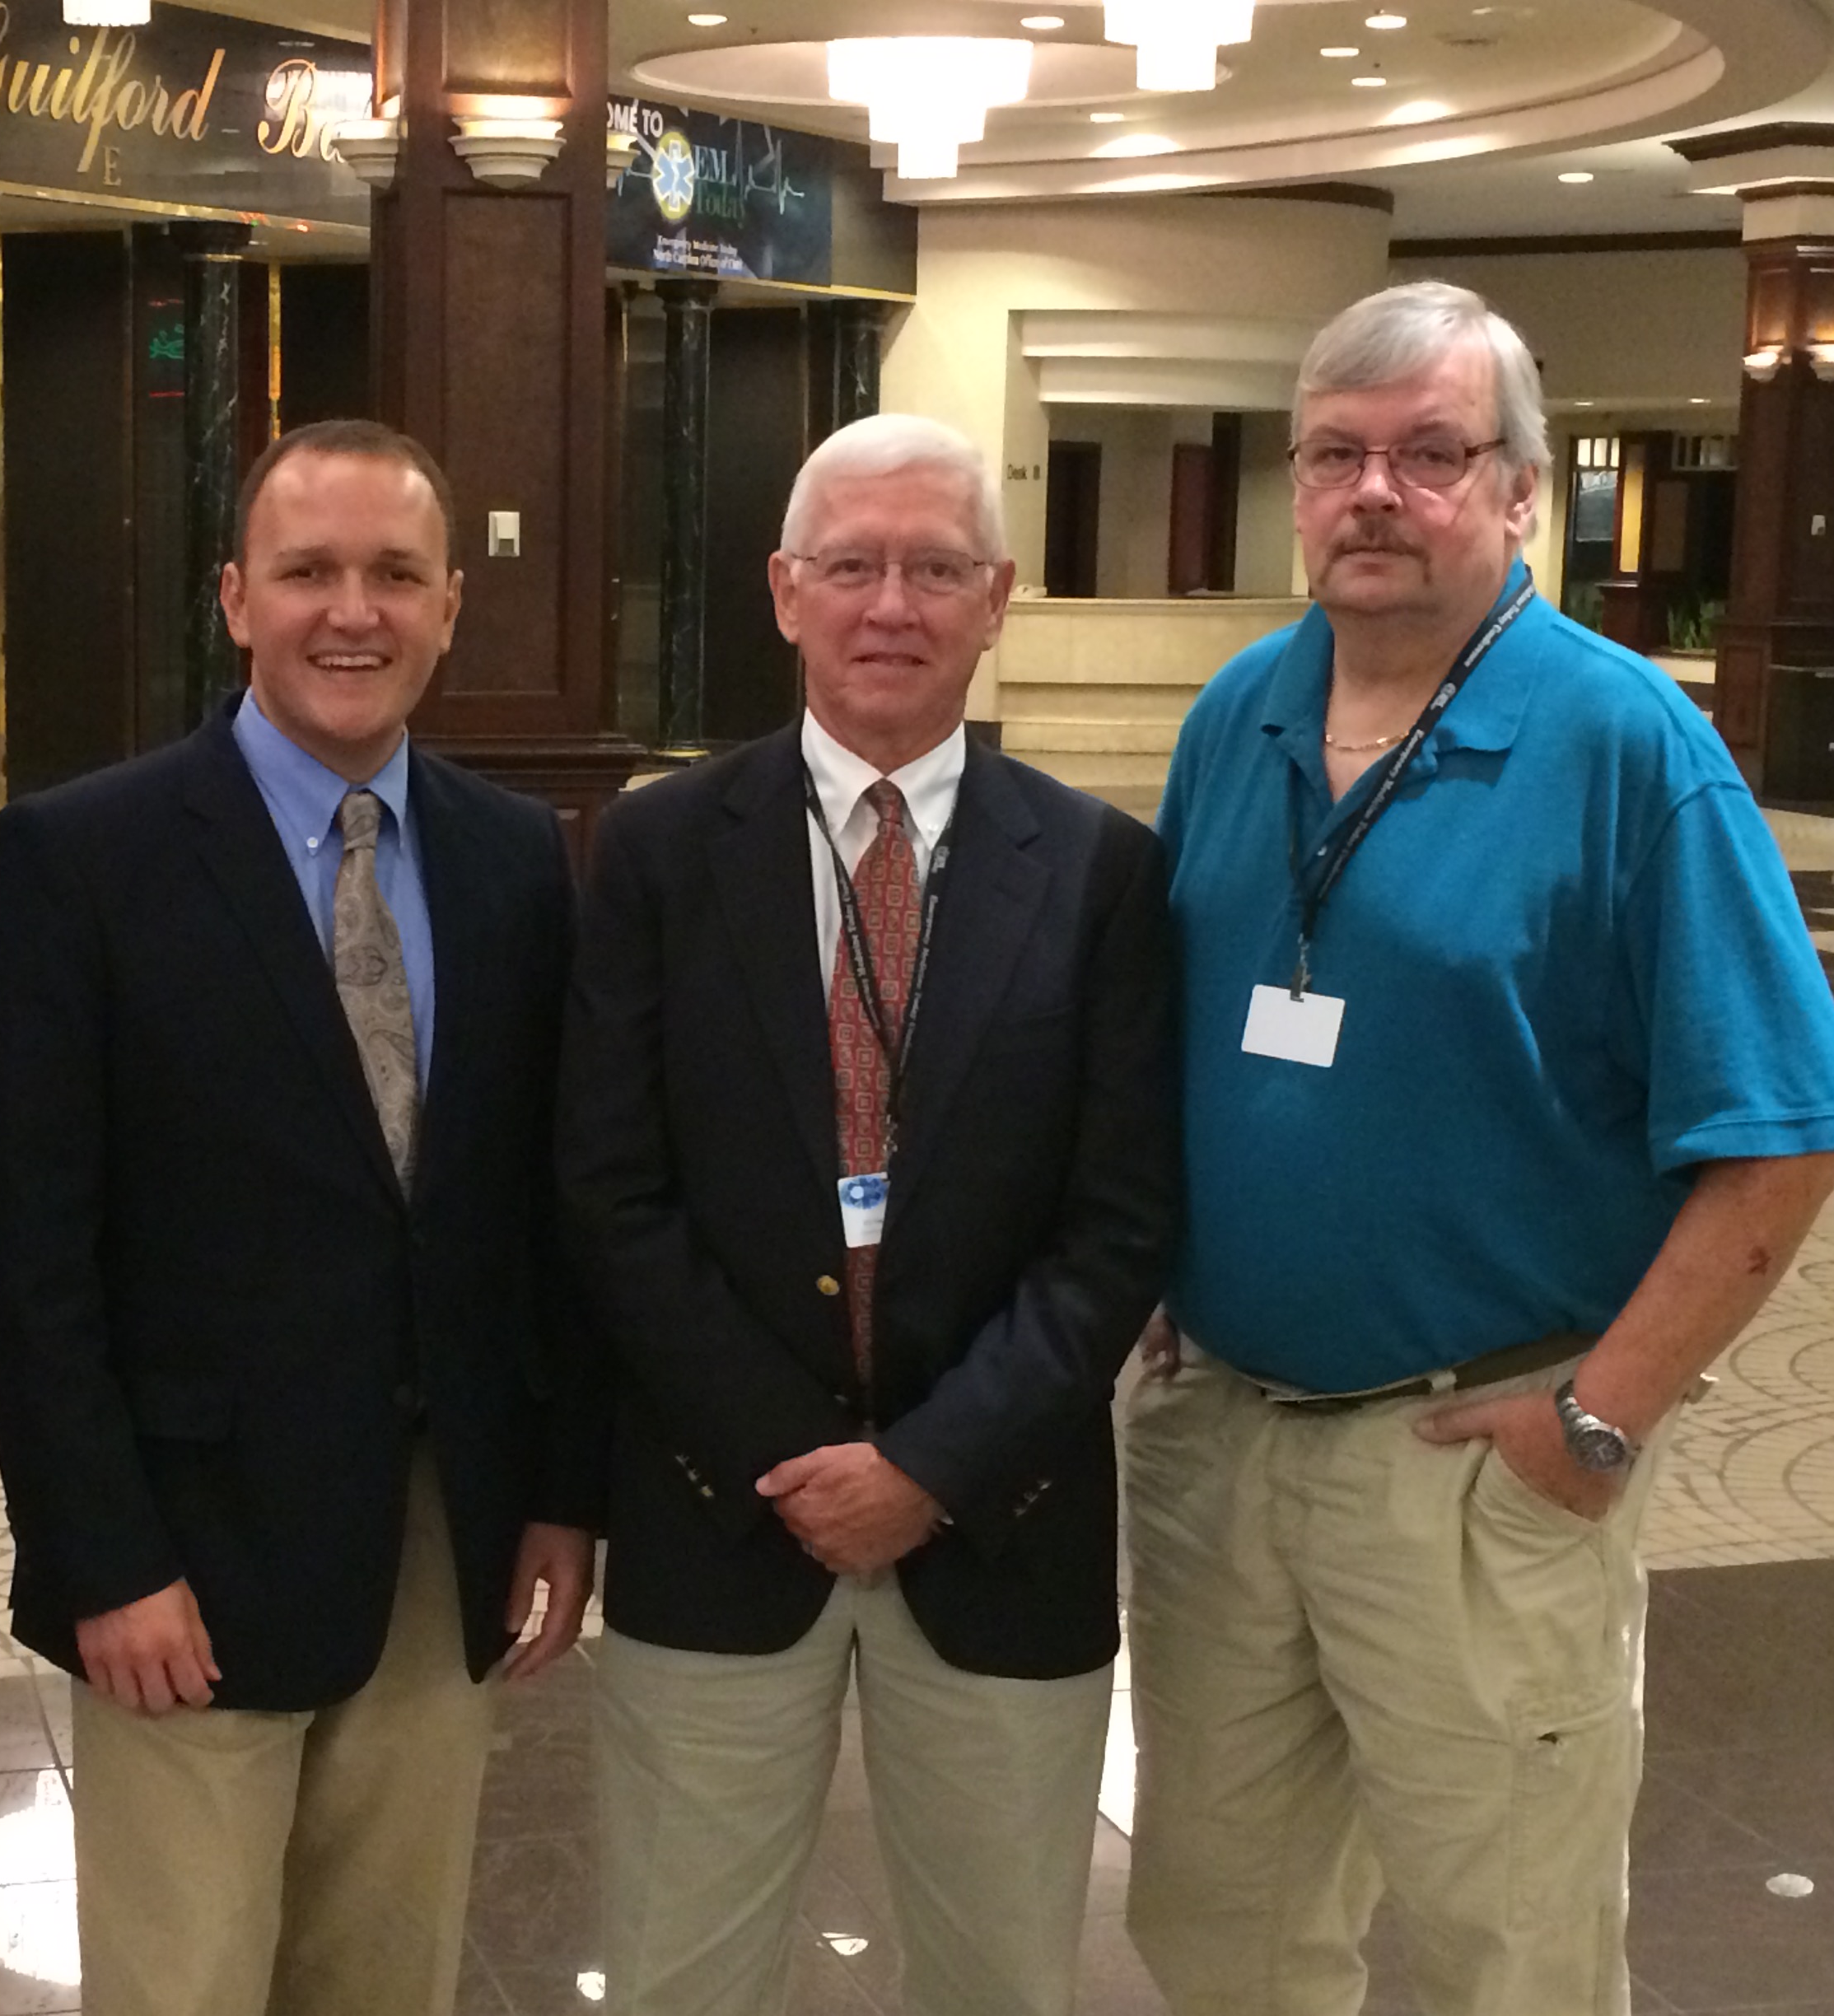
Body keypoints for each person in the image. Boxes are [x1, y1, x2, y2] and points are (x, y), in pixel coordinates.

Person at [1126, 280, 1834, 2016]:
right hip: (1223, 1447)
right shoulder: (1237, 712)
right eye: (1336, 455)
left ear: (1521, 489)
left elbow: (1786, 1139)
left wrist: (1600, 1418)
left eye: (1432, 454)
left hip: (1475, 1464)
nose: (1374, 493)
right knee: (1218, 1933)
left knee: (1507, 1958)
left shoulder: (1628, 746)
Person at [0, 418, 600, 2016]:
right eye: (309, 572)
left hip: (438, 1537)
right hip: (189, 1552)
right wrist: (104, 1557)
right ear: (236, 600)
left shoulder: (519, 862)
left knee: (386, 1977)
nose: (352, 612)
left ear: (454, 606)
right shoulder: (79, 858)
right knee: (186, 1984)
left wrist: (562, 1498)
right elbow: (26, 1252)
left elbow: (544, 1220)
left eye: (396, 574)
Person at [561, 411, 1178, 2015]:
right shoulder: (658, 850)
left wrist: (927, 1467)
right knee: (684, 1972)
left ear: (997, 596)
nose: (889, 603)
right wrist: (795, 1457)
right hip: (720, 1508)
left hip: (1004, 1518)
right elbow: (613, 1192)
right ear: (784, 590)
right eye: (852, 565)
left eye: (934, 568)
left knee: (1000, 1977)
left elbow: (1119, 1224)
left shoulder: (1104, 871)